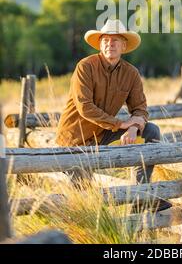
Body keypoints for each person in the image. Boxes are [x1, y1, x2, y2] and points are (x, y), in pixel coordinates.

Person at [56, 18, 172, 212]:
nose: (110, 44)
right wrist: (120, 124)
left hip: (103, 134)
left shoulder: (131, 73)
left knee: (151, 130)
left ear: (124, 46)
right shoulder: (85, 67)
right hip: (76, 138)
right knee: (83, 201)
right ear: (100, 44)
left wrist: (134, 126)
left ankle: (141, 195)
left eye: (115, 40)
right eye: (105, 40)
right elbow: (85, 107)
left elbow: (141, 109)